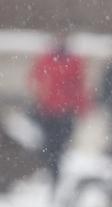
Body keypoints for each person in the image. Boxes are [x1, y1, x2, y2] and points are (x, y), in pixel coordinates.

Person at [29, 33, 88, 190]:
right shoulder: (47, 60)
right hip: (49, 111)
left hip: (64, 111)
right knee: (50, 145)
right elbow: (35, 80)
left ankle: (55, 173)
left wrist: (80, 107)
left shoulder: (73, 61)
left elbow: (79, 86)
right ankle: (52, 172)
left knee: (59, 146)